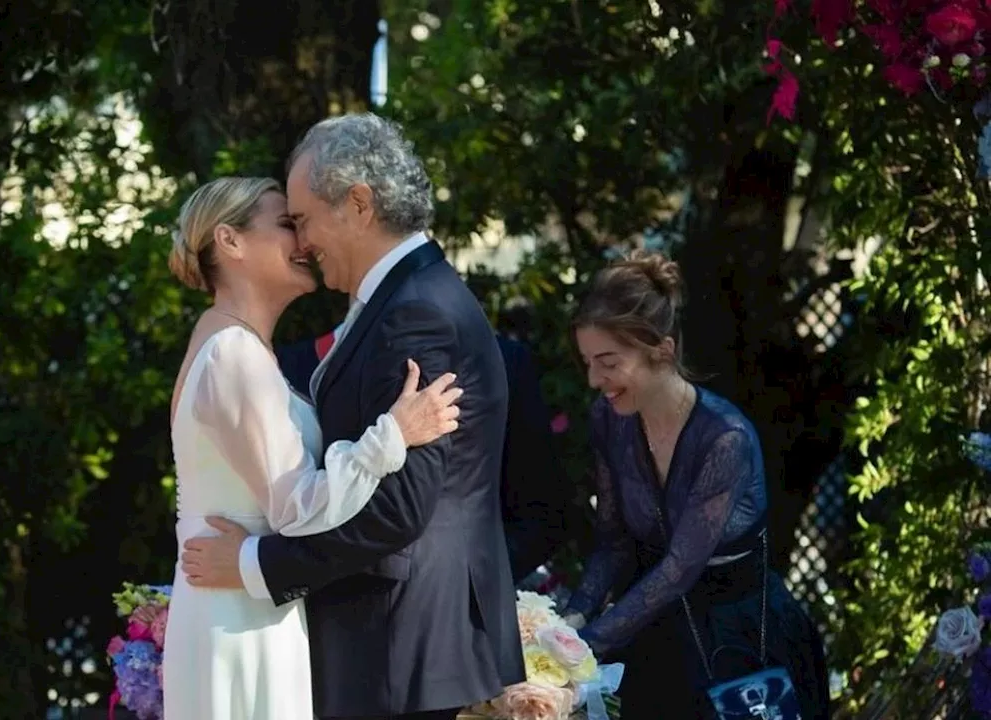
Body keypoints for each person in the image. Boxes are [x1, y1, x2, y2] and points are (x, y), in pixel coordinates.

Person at [180, 113, 525, 720]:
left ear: (358, 205)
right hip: (388, 644)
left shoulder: (413, 312)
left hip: (398, 643)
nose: (303, 242)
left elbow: (399, 509)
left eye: (303, 220)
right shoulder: (405, 300)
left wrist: (254, 563)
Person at [562, 250, 832, 719]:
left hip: (736, 638)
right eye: (587, 362)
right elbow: (615, 542)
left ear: (662, 351)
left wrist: (585, 644)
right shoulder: (608, 418)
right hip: (651, 634)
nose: (593, 379)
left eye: (607, 361)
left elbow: (679, 569)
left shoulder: (725, 438)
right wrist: (572, 617)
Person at [277, 330, 566, 583]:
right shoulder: (294, 362)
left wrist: (469, 590)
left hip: (453, 613)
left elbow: (539, 513)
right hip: (315, 607)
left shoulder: (500, 360)